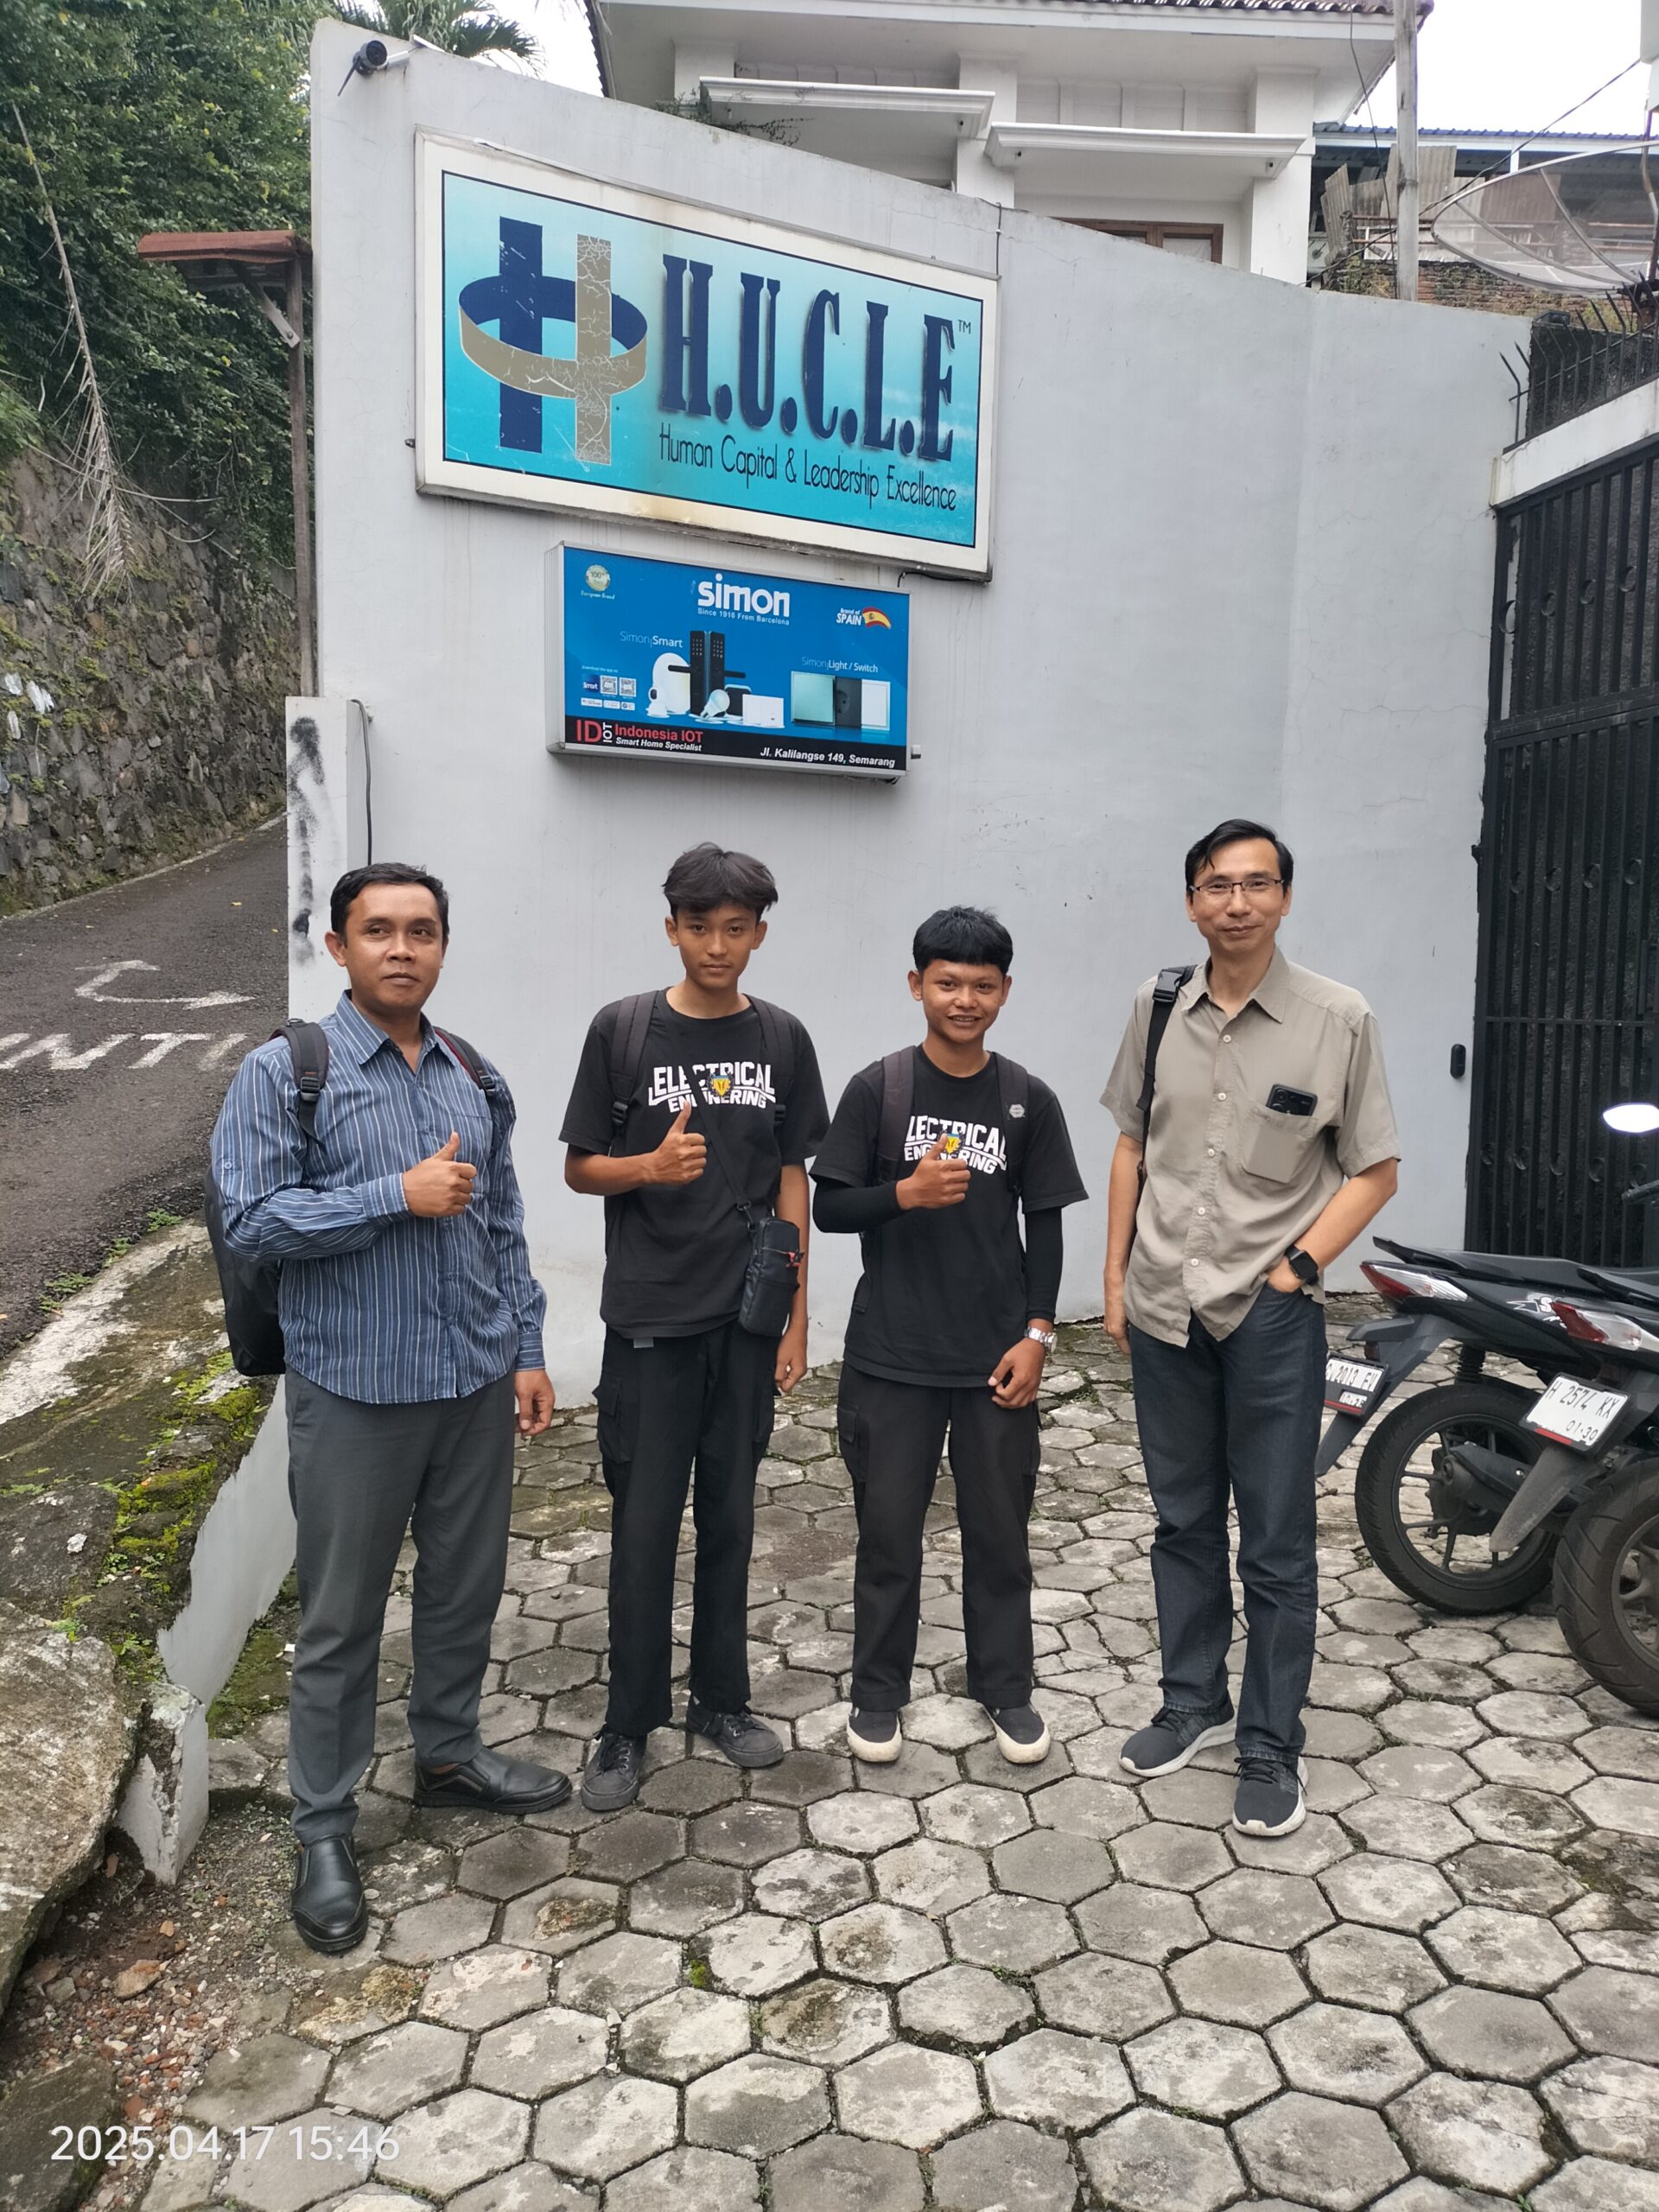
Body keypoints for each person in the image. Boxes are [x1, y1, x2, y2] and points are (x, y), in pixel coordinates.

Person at [213, 861, 565, 1955]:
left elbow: (502, 1223)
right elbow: (250, 1219)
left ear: (443, 946)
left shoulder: (473, 1075)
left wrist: (527, 1349)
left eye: (421, 930)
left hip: (472, 1384)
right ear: (339, 946)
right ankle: (323, 1826)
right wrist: (392, 1197)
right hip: (355, 1391)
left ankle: (449, 1754)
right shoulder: (286, 1073)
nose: (401, 948)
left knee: (465, 1590)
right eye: (378, 930)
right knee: (340, 1620)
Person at [1101, 818, 1401, 1839]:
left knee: (1274, 1539)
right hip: (1163, 1303)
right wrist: (1114, 1278)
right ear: (1192, 901)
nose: (1236, 902)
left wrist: (1298, 1269)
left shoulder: (1338, 1017)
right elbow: (1132, 1145)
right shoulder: (1156, 1007)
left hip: (1270, 1316)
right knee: (1182, 1521)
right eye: (1217, 885)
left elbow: (1374, 1169)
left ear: (1284, 897)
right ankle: (1194, 1702)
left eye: (1256, 883)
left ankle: (1271, 1741)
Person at [560, 842, 828, 1811]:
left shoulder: (783, 1039)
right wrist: (646, 1169)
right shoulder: (623, 1030)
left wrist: (796, 1319)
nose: (718, 945)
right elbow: (579, 1166)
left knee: (730, 1516)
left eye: (737, 928)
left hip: (744, 1323)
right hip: (649, 1321)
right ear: (671, 927)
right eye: (701, 926)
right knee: (642, 1526)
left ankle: (721, 1699)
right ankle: (627, 1723)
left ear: (760, 933)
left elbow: (794, 1179)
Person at [811, 906, 1089, 1765]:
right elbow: (828, 1208)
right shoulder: (880, 1089)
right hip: (892, 1358)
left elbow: (1046, 1225)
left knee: (1000, 1537)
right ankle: (877, 1694)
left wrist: (1038, 1334)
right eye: (947, 983)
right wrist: (904, 1193)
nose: (964, 999)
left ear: (1004, 992)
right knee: (887, 1536)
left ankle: (1005, 1688)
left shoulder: (1027, 1099)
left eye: (982, 985)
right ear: (916, 985)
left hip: (993, 1359)